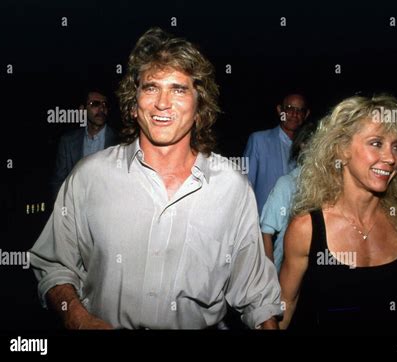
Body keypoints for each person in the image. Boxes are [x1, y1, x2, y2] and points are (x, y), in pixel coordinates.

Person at [29, 27, 281, 330]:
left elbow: (258, 295)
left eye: (178, 89)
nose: (163, 102)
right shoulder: (89, 177)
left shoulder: (232, 189)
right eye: (150, 88)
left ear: (200, 108)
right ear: (134, 106)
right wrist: (79, 319)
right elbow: (53, 263)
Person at [279, 94, 397, 332]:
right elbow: (285, 305)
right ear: (342, 150)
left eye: (396, 146)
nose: (391, 157)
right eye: (376, 143)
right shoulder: (307, 228)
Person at [260, 122, 315, 273]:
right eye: (316, 142)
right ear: (303, 145)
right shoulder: (287, 184)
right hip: (285, 272)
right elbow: (266, 233)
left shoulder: (334, 184)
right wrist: (270, 279)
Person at [243, 93, 310, 213]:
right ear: (280, 110)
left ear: (306, 115)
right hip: (261, 224)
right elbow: (245, 184)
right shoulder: (259, 140)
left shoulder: (310, 148)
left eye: (300, 110)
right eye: (289, 108)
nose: (295, 114)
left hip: (296, 223)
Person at [50, 89, 118, 199]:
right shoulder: (68, 142)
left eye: (105, 104)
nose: (101, 108)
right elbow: (59, 182)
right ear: (82, 110)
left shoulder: (121, 141)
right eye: (95, 104)